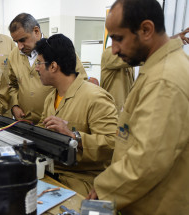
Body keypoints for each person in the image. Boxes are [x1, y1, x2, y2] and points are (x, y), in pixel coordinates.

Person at [87, 0, 189, 214]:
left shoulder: (163, 80)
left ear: (146, 30)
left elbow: (147, 162)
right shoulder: (159, 68)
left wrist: (103, 188)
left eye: (118, 38)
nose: (113, 49)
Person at [35, 34, 118, 196]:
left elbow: (112, 144)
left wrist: (74, 137)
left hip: (83, 179)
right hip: (52, 170)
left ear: (53, 66)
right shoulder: (51, 97)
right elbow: (42, 128)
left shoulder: (95, 98)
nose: (36, 68)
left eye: (39, 63)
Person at [8, 13, 87, 124]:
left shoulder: (57, 49)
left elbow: (80, 81)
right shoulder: (13, 55)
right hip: (25, 122)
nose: (20, 47)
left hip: (55, 123)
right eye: (16, 42)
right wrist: (14, 105)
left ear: (36, 31)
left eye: (22, 40)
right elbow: (12, 85)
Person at [100, 46, 134, 115]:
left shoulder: (130, 66)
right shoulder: (110, 53)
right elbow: (136, 57)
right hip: (112, 112)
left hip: (125, 111)